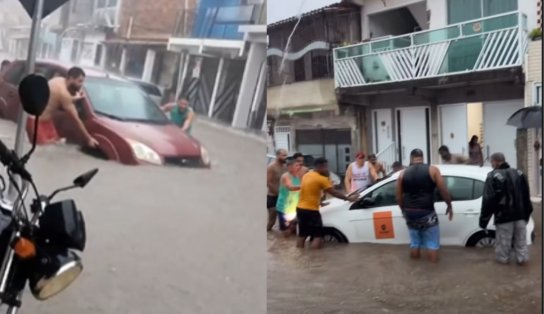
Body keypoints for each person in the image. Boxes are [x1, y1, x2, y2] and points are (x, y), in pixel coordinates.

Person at [395, 149, 453, 263]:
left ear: (411, 159)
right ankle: (432, 272)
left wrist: (403, 211)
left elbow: (398, 197)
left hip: (410, 212)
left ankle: (415, 268)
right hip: (427, 211)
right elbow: (443, 190)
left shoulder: (402, 174)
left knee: (414, 243)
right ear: (422, 157)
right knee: (432, 244)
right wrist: (449, 205)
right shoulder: (433, 170)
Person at [479, 153, 533, 265]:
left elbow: (488, 200)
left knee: (503, 250)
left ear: (496, 161)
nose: (491, 164)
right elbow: (526, 197)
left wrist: (483, 221)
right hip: (520, 216)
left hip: (504, 217)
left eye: (492, 162)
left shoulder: (492, 176)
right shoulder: (520, 174)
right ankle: (522, 268)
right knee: (522, 246)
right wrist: (526, 216)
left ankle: (503, 276)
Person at [26, 67, 98, 147]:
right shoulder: (64, 94)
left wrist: (73, 98)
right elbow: (76, 120)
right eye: (80, 81)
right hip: (35, 122)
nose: (81, 85)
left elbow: (55, 98)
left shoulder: (58, 80)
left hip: (46, 121)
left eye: (82, 81)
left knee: (55, 145)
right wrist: (89, 139)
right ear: (71, 78)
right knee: (43, 149)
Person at [296, 157, 359, 249]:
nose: (327, 169)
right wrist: (348, 198)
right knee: (318, 236)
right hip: (311, 211)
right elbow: (334, 192)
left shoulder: (307, 175)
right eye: (326, 166)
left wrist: (320, 202)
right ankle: (315, 259)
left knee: (302, 234)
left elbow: (310, 191)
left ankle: (301, 255)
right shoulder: (321, 179)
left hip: (300, 209)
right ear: (321, 166)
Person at [276, 158, 301, 236]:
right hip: (284, 208)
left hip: (294, 207)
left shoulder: (297, 176)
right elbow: (291, 188)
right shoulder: (285, 176)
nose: (299, 167)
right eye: (296, 165)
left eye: (299, 165)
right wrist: (305, 186)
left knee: (293, 229)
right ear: (289, 167)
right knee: (286, 232)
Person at [266, 149, 288, 231]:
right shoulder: (271, 167)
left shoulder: (285, 166)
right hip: (273, 197)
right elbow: (269, 183)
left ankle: (284, 240)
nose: (286, 157)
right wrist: (279, 193)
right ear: (277, 155)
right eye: (283, 155)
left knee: (285, 220)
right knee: (272, 221)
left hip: (283, 197)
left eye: (286, 155)